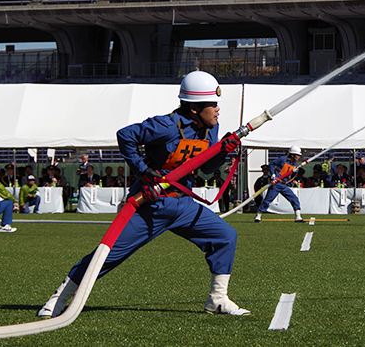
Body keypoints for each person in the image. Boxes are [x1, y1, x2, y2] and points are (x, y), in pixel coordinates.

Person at [38, 70, 249, 318]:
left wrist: (223, 151)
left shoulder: (211, 128)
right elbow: (125, 135)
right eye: (212, 104)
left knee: (225, 236)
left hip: (183, 205)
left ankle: (218, 299)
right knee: (106, 256)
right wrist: (143, 169)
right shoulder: (166, 125)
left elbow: (205, 169)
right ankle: (59, 298)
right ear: (194, 108)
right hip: (150, 206)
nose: (217, 109)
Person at [254, 146, 305, 223]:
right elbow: (271, 164)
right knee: (267, 200)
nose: (298, 157)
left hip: (284, 185)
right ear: (292, 155)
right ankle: (258, 216)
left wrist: (294, 172)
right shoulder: (282, 159)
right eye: (297, 155)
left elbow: (290, 176)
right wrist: (273, 174)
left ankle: (298, 217)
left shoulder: (295, 165)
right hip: (276, 184)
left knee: (294, 198)